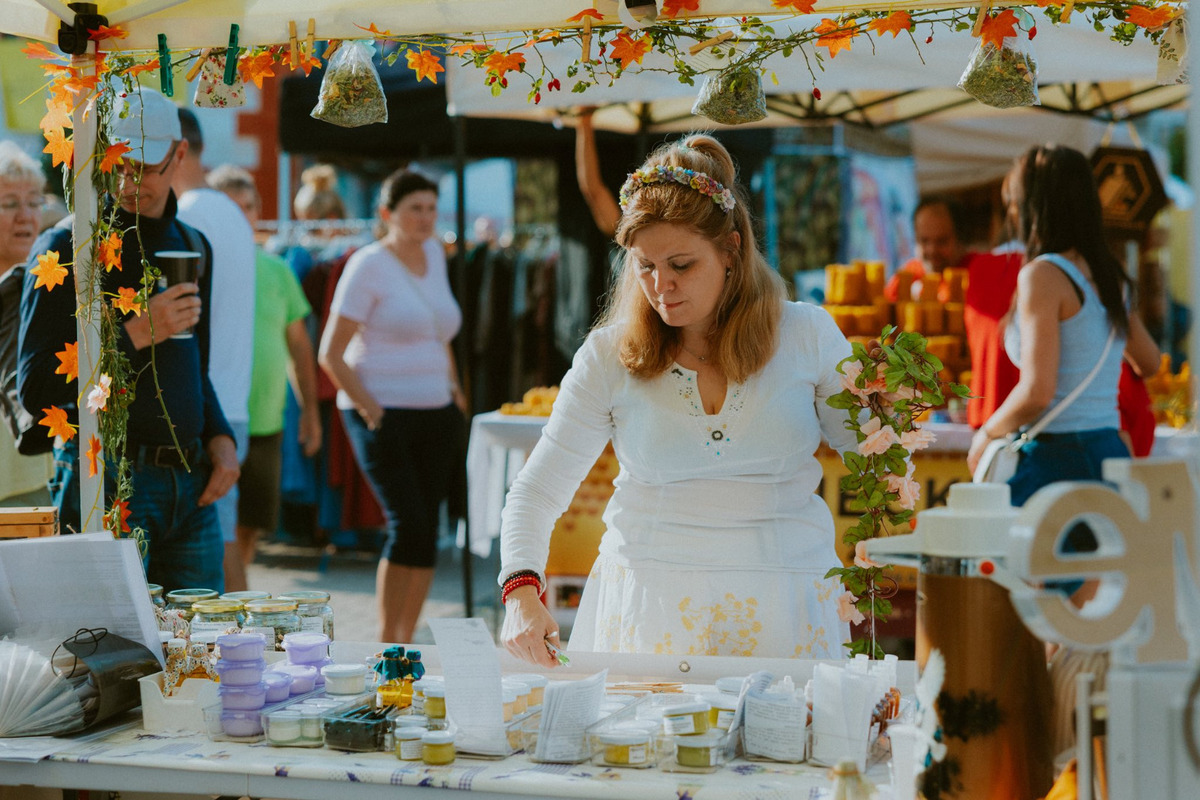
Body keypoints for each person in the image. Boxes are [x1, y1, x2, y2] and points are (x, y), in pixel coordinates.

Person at [500, 134, 857, 667]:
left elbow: (871, 453)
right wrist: (521, 592)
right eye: (644, 266)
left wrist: (887, 413)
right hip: (650, 614)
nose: (660, 285)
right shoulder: (609, 354)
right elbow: (537, 489)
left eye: (681, 265)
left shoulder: (807, 335)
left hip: (787, 609)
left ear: (732, 249)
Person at [18, 88, 237, 591]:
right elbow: (37, 390)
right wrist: (135, 334)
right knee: (106, 651)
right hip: (107, 474)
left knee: (199, 654)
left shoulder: (193, 244)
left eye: (143, 168)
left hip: (191, 481)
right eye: (115, 166)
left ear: (179, 155)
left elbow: (193, 365)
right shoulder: (66, 245)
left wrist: (220, 437)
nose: (127, 182)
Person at [967, 144, 1160, 510]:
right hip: (1108, 450)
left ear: (1033, 206)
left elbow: (1039, 391)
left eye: (1014, 201)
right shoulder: (1108, 274)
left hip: (1058, 459)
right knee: (1096, 564)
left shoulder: (1042, 276)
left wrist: (988, 433)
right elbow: (1149, 361)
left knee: (1021, 562)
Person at [318, 169, 465, 644]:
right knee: (408, 524)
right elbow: (330, 353)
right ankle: (386, 641)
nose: (425, 218)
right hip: (380, 411)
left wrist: (454, 387)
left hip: (436, 412)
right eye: (414, 209)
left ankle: (407, 635)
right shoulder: (368, 265)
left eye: (430, 208)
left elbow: (438, 331)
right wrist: (370, 409)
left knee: (428, 532)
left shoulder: (435, 256)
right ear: (387, 215)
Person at [209, 164, 322, 581]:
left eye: (249, 207)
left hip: (268, 420)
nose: (243, 217)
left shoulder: (277, 269)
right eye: (232, 208)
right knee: (222, 533)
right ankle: (234, 608)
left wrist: (309, 412)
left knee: (250, 525)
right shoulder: (205, 266)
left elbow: (299, 345)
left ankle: (233, 597)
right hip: (219, 421)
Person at [173, 108, 257, 592]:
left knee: (216, 550)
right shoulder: (227, 211)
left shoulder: (189, 215)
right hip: (229, 399)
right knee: (222, 542)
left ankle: (254, 647)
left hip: (208, 407)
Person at [0, 142, 53, 506]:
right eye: (8, 204)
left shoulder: (49, 284)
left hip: (32, 482)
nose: (25, 216)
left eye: (34, 202)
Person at [883, 197, 972, 302]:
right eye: (924, 241)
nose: (932, 250)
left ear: (960, 240)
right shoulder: (908, 276)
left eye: (942, 241)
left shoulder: (975, 275)